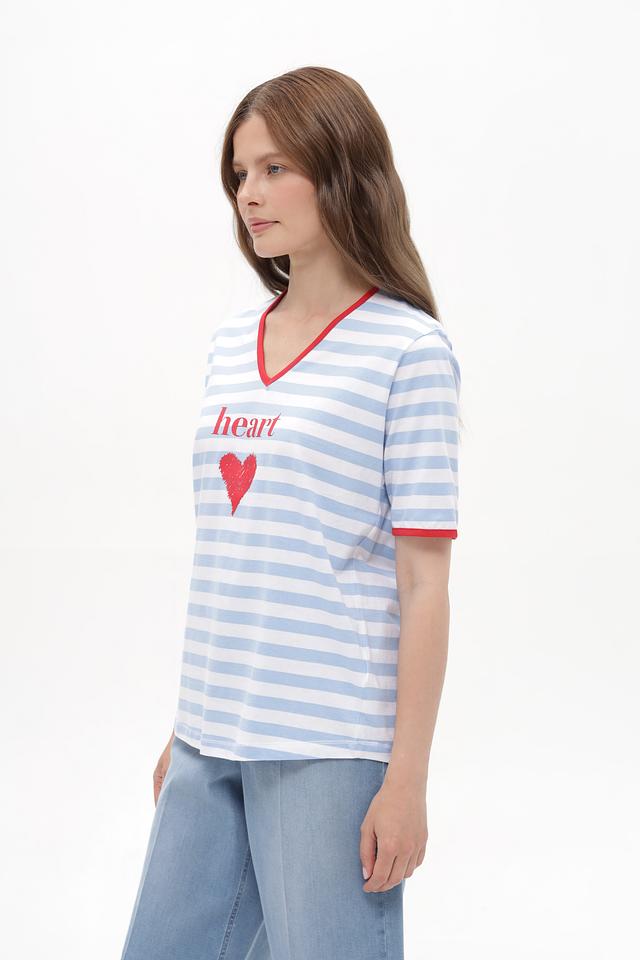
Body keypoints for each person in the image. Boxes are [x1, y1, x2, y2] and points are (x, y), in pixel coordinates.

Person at [120, 65, 462, 960]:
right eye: (240, 174)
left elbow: (425, 584)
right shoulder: (232, 343)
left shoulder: (409, 351)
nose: (250, 194)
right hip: (212, 732)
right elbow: (236, 551)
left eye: (275, 168)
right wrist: (189, 720)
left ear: (342, 171)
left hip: (328, 745)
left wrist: (406, 779)